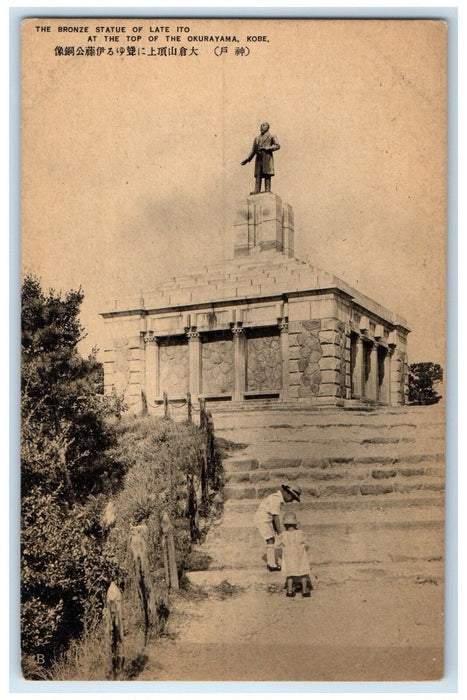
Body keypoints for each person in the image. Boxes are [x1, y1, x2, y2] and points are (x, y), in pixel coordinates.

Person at [254, 484, 301, 571]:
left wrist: (276, 530)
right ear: (288, 494)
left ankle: (271, 563)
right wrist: (279, 532)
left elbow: (272, 516)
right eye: (292, 498)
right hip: (262, 520)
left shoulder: (277, 498)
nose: (291, 501)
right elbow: (275, 516)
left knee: (271, 540)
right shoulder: (276, 499)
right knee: (270, 540)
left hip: (266, 520)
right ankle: (272, 565)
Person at [276, 511, 312, 598]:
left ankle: (289, 590)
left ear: (285, 525)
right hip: (300, 556)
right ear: (295, 524)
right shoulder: (301, 533)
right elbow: (307, 543)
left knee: (289, 574)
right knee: (303, 573)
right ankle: (304, 590)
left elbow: (277, 545)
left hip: (289, 557)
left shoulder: (283, 535)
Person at [241, 121, 280, 195]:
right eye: (261, 125)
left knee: (267, 174)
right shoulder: (257, 138)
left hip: (267, 158)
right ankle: (257, 189)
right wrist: (247, 159)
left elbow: (277, 146)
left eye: (263, 125)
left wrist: (267, 148)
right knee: (258, 174)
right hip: (258, 159)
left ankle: (267, 189)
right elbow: (253, 150)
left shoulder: (272, 136)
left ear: (268, 127)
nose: (261, 127)